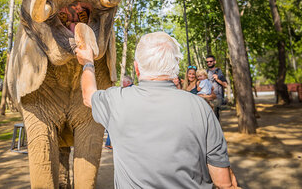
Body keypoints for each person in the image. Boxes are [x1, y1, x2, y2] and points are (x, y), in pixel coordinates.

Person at [76, 32, 239, 189]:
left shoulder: (116, 99)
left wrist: (88, 62)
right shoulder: (201, 108)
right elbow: (224, 182)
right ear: (175, 68)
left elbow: (88, 95)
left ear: (137, 68)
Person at [105, 75, 134, 149]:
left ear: (128, 82)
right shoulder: (130, 89)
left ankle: (110, 144)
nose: (122, 83)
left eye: (123, 82)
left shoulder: (129, 90)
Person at [206, 55, 228, 121]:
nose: (209, 63)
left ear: (214, 62)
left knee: (215, 118)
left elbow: (225, 85)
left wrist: (218, 79)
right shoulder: (205, 72)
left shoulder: (219, 72)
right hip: (208, 98)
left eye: (210, 61)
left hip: (217, 99)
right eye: (207, 62)